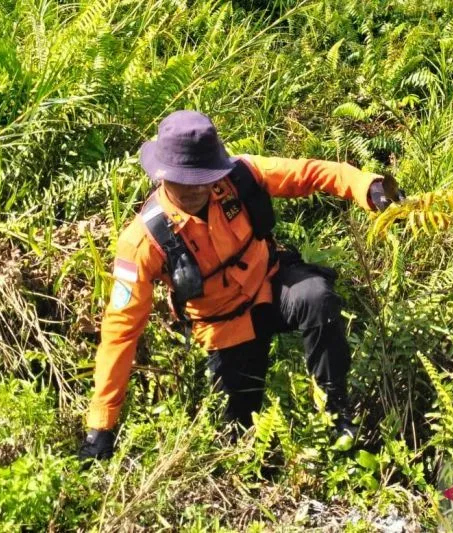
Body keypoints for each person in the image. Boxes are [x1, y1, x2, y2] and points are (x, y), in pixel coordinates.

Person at [78, 111, 402, 460]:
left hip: (271, 286)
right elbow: (120, 332)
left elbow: (311, 172)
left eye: (202, 178)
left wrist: (367, 186)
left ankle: (338, 417)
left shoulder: (240, 176)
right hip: (224, 326)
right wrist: (101, 426)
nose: (195, 189)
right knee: (237, 438)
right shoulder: (142, 241)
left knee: (316, 296)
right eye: (183, 181)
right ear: (161, 175)